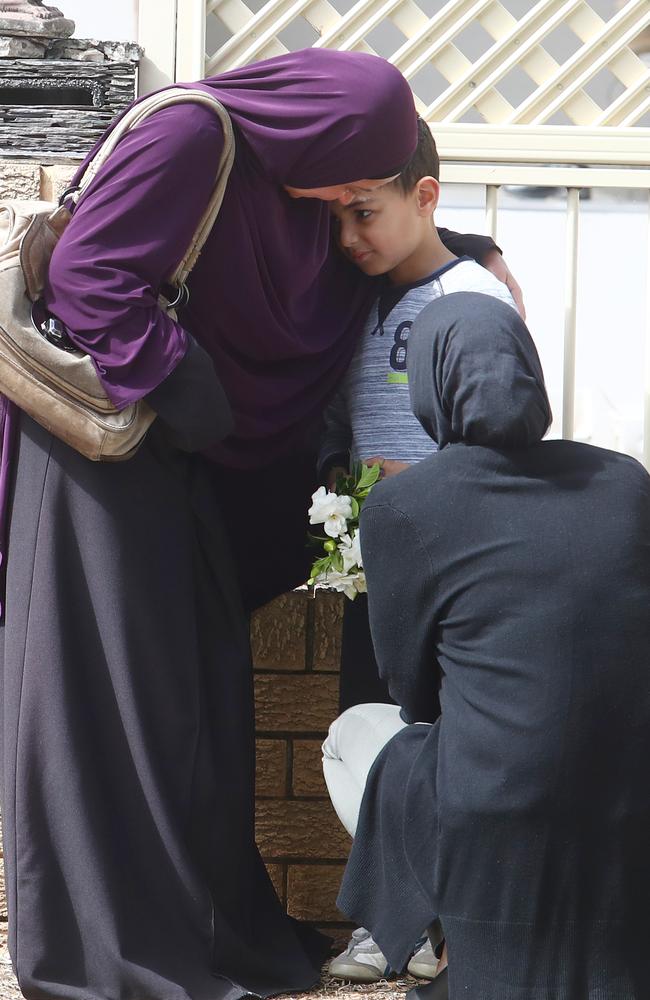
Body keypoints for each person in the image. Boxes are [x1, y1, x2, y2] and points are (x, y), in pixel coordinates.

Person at [0, 50, 521, 1000]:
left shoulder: (299, 183)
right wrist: (182, 377)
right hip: (101, 459)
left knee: (200, 704)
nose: (350, 202)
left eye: (370, 185)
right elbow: (88, 272)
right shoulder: (194, 135)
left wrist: (464, 251)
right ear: (324, 131)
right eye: (354, 176)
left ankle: (204, 932)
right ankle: (114, 954)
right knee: (117, 709)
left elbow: (353, 261)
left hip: (178, 463)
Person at [322, 291, 650, 999]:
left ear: (430, 384)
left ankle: (438, 944)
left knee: (354, 733)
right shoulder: (626, 485)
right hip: (628, 799)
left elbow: (411, 694)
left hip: (494, 816)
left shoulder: (407, 504)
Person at [319, 120, 516, 983]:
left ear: (424, 195)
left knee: (441, 734)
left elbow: (503, 421)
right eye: (336, 219)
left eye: (363, 213)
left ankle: (447, 924)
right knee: (371, 728)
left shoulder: (471, 295)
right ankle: (386, 922)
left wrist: (426, 479)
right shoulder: (352, 299)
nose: (348, 237)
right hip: (371, 562)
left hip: (456, 569)